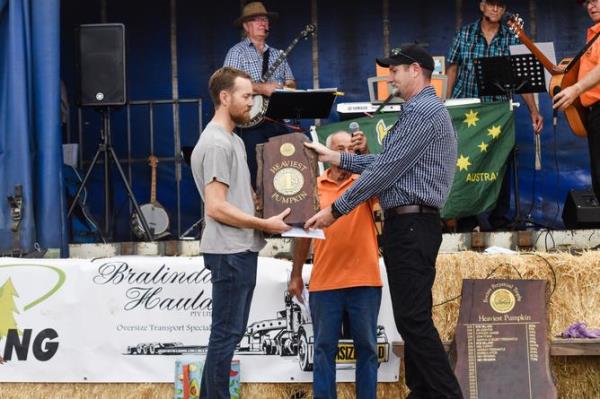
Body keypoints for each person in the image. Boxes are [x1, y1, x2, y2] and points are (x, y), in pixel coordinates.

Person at [304, 44, 463, 398]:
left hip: (411, 224)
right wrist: (336, 156)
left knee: (413, 318)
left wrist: (334, 210)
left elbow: (385, 171)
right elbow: (384, 163)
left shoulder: (423, 113)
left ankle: (446, 393)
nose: (390, 75)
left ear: (416, 71)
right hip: (407, 225)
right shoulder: (418, 112)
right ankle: (424, 390)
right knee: (411, 317)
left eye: (395, 69)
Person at [190, 66, 291, 399]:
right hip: (229, 252)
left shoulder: (232, 139)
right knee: (225, 335)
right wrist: (265, 225)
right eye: (246, 96)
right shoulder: (217, 143)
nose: (252, 103)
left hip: (239, 249)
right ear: (224, 97)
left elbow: (235, 198)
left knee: (228, 335)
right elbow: (216, 207)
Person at [288, 130, 382, 399]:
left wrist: (365, 152)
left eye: (348, 149)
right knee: (323, 349)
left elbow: (384, 170)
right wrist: (296, 274)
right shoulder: (313, 186)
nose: (343, 153)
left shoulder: (366, 183)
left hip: (365, 279)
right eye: (337, 148)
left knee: (367, 350)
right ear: (326, 155)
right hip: (325, 281)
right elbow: (302, 235)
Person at [446, 0, 544, 231]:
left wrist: (534, 111)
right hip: (466, 109)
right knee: (465, 163)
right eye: (491, 4)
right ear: (482, 6)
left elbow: (522, 79)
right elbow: (452, 69)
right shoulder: (465, 33)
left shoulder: (511, 35)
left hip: (497, 112)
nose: (495, 9)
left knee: (502, 160)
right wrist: (445, 103)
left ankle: (500, 218)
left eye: (500, 5)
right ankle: (467, 218)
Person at [223, 1, 296, 189]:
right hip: (251, 124)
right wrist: (260, 88)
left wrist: (283, 87)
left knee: (285, 169)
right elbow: (228, 83)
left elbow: (291, 83)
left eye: (265, 20)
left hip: (278, 121)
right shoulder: (236, 52)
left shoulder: (277, 54)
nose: (263, 24)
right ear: (246, 27)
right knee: (255, 175)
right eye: (257, 20)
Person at [554, 0, 600, 201]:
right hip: (594, 113)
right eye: (587, 2)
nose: (591, 6)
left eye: (595, 0)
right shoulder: (594, 34)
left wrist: (576, 89)